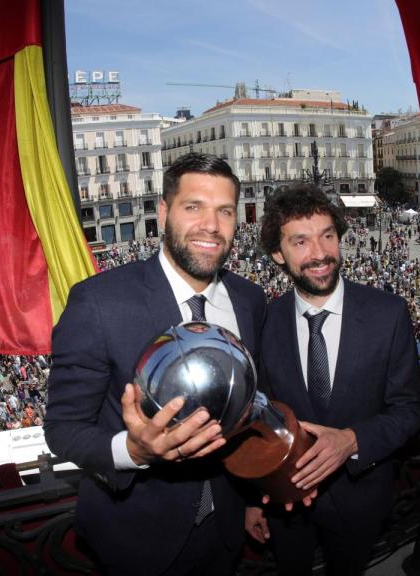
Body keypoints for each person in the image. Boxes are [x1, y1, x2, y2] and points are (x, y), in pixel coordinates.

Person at [44, 153, 266, 576]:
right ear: (164, 211)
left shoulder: (250, 300)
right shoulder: (98, 302)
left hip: (226, 529)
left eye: (225, 211)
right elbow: (63, 429)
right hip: (137, 540)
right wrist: (133, 450)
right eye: (193, 206)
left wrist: (253, 497)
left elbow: (249, 406)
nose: (211, 226)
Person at [244, 184, 420, 575]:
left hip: (360, 499)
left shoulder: (388, 314)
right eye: (301, 241)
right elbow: (260, 419)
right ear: (278, 253)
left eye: (327, 235)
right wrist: (256, 497)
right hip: (285, 501)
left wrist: (353, 440)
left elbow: (409, 411)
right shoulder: (265, 323)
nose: (320, 253)